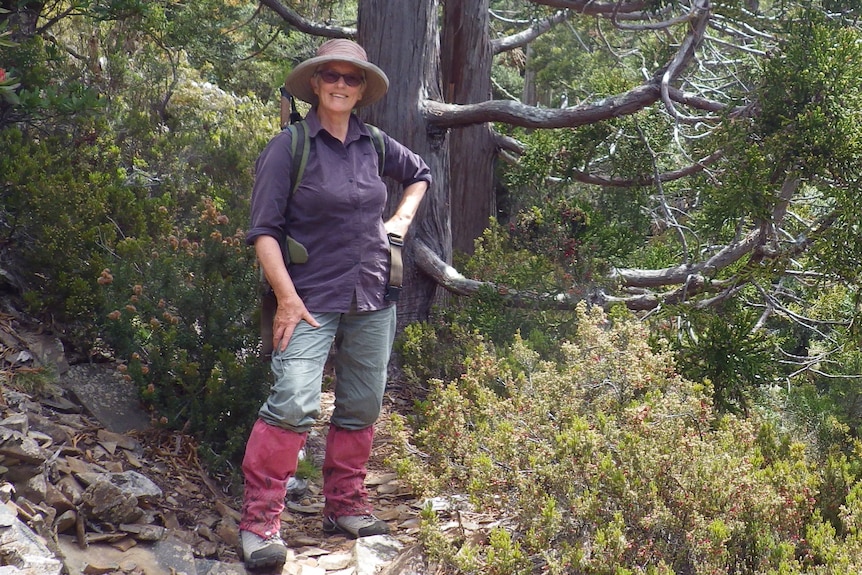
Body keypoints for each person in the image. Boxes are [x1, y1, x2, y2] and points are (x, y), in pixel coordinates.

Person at [239, 39, 432, 570]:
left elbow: (420, 174)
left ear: (362, 88)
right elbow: (263, 233)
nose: (342, 85)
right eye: (333, 76)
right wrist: (284, 298)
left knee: (363, 404)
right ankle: (260, 524)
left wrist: (399, 222)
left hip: (372, 293)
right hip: (306, 299)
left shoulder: (374, 144)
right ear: (316, 83)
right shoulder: (290, 147)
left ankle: (344, 505)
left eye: (352, 78)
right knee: (293, 403)